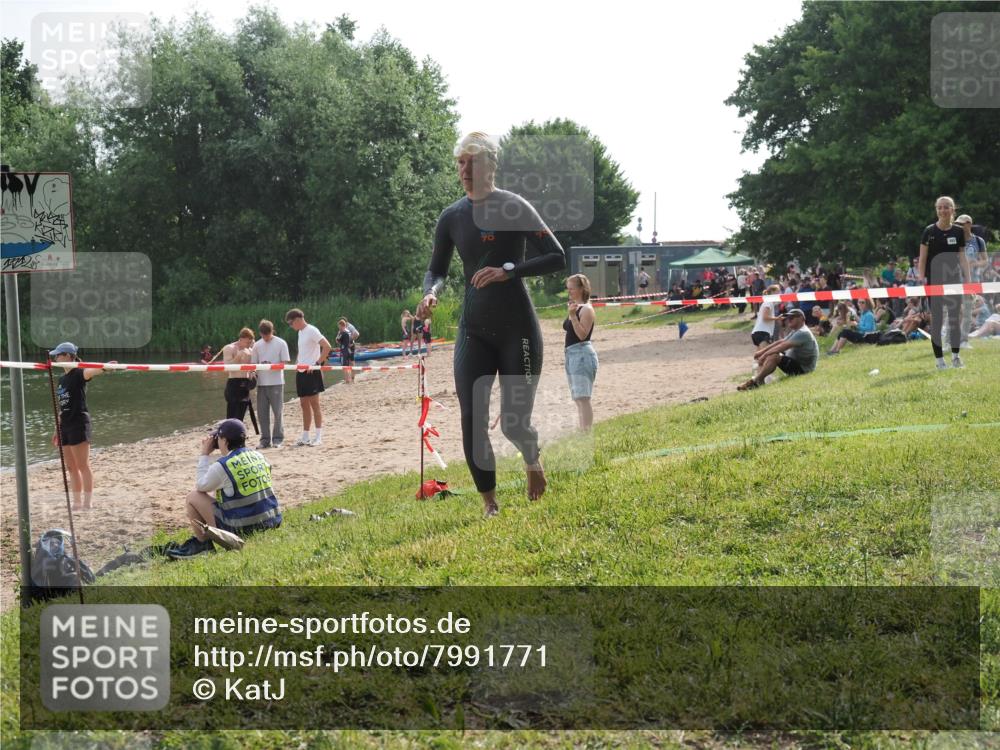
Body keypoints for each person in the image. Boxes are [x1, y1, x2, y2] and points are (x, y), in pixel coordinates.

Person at [416, 131, 565, 517]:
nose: (464, 170)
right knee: (472, 420)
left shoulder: (514, 207)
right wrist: (431, 293)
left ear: (490, 166)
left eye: (473, 162)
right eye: (460, 163)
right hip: (474, 329)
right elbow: (436, 270)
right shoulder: (451, 216)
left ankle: (533, 461)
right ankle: (490, 504)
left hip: (518, 328)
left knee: (514, 425)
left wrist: (508, 271)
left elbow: (556, 257)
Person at [168, 418, 282, 559]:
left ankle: (203, 545)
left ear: (225, 441)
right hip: (271, 521)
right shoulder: (259, 456)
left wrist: (204, 454)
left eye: (219, 438)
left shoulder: (223, 465)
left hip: (242, 529)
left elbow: (201, 486)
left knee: (193, 497)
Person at [49, 342, 114, 510]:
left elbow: (91, 371)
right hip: (65, 425)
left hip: (79, 422)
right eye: (55, 355)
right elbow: (62, 406)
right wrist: (57, 428)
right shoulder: (62, 380)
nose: (56, 358)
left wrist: (105, 367)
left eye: (59, 354)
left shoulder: (78, 373)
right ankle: (76, 502)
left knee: (82, 465)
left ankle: (87, 502)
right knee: (71, 467)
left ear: (69, 356)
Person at [917, 196, 971, 369]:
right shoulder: (929, 231)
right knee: (937, 321)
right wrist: (921, 279)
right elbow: (922, 259)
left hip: (954, 281)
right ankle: (939, 361)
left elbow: (962, 258)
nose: (942, 210)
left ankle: (955, 357)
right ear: (936, 210)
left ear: (952, 210)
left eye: (946, 207)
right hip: (934, 282)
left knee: (955, 318)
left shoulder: (958, 231)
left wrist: (968, 282)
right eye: (939, 207)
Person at [737, 309, 818, 390]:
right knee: (772, 354)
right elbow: (781, 342)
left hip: (804, 369)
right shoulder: (797, 330)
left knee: (774, 356)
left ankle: (756, 381)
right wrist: (762, 352)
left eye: (792, 317)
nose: (789, 319)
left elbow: (782, 346)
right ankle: (758, 380)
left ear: (801, 318)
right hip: (799, 365)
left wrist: (764, 355)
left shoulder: (803, 332)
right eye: (788, 317)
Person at [285, 308, 332, 446]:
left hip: (312, 371)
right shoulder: (300, 332)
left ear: (298, 320)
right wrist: (298, 362)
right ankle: (305, 436)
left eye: (291, 323)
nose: (291, 326)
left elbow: (327, 346)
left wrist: (317, 363)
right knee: (303, 404)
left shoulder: (312, 330)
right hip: (301, 371)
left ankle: (318, 437)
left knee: (314, 404)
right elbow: (304, 351)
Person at [564, 274, 598, 431]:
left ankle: (586, 431)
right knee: (578, 398)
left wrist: (572, 316)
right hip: (572, 354)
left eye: (572, 288)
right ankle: (583, 430)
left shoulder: (587, 309)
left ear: (581, 289)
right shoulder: (575, 307)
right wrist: (571, 313)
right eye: (568, 288)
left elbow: (582, 335)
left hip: (582, 354)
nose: (569, 291)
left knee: (583, 397)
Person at [250, 319, 290, 449]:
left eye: (267, 334)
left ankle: (278, 439)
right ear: (260, 333)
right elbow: (253, 364)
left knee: (277, 412)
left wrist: (272, 366)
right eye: (263, 335)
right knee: (262, 413)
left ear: (272, 331)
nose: (265, 337)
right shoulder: (257, 345)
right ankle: (265, 439)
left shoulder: (281, 343)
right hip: (261, 383)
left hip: (276, 382)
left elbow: (285, 363)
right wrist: (253, 372)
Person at [955, 214, 988, 349]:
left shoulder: (979, 241)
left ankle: (963, 341)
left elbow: (985, 260)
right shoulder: (955, 240)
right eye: (957, 224)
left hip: (972, 281)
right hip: (956, 280)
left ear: (968, 224)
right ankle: (950, 339)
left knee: (968, 310)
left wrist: (974, 264)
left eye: (961, 224)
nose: (959, 227)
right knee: (956, 310)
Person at [222, 328, 255, 421]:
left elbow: (253, 367)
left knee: (242, 412)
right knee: (231, 413)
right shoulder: (229, 348)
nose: (249, 345)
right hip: (233, 382)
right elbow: (227, 367)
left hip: (245, 383)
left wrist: (253, 373)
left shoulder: (250, 350)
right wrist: (238, 356)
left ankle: (238, 433)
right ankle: (229, 433)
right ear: (241, 339)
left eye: (250, 342)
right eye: (247, 342)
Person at [336, 319, 355, 384]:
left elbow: (337, 340)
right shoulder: (349, 331)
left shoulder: (342, 332)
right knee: (349, 365)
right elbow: (352, 341)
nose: (339, 328)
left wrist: (338, 336)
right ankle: (351, 378)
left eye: (339, 326)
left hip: (344, 350)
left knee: (344, 365)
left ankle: (347, 380)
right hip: (349, 350)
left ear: (341, 325)